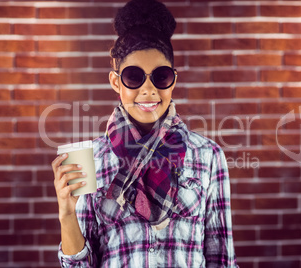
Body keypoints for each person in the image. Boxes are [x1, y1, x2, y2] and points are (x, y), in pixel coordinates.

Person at [52, 0, 238, 267]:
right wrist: (66, 213)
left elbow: (222, 261)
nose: (148, 90)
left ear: (173, 80)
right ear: (116, 82)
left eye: (160, 77)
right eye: (133, 76)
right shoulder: (89, 159)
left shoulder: (208, 156)